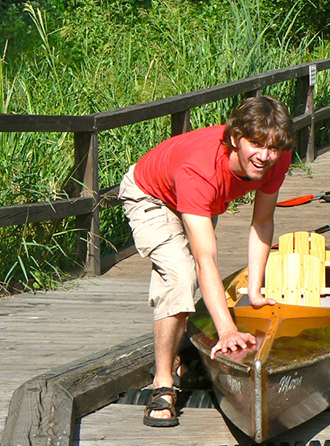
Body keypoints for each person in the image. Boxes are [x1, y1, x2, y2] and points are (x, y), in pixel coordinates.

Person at [118, 95, 294, 428]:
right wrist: (227, 330)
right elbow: (206, 259)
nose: (264, 156)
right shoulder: (200, 167)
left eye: (272, 147)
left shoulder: (277, 158)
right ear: (234, 138)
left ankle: (182, 361)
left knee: (190, 279)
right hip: (151, 195)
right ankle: (162, 383)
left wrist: (255, 290)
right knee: (181, 276)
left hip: (201, 201)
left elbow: (262, 222)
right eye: (256, 144)